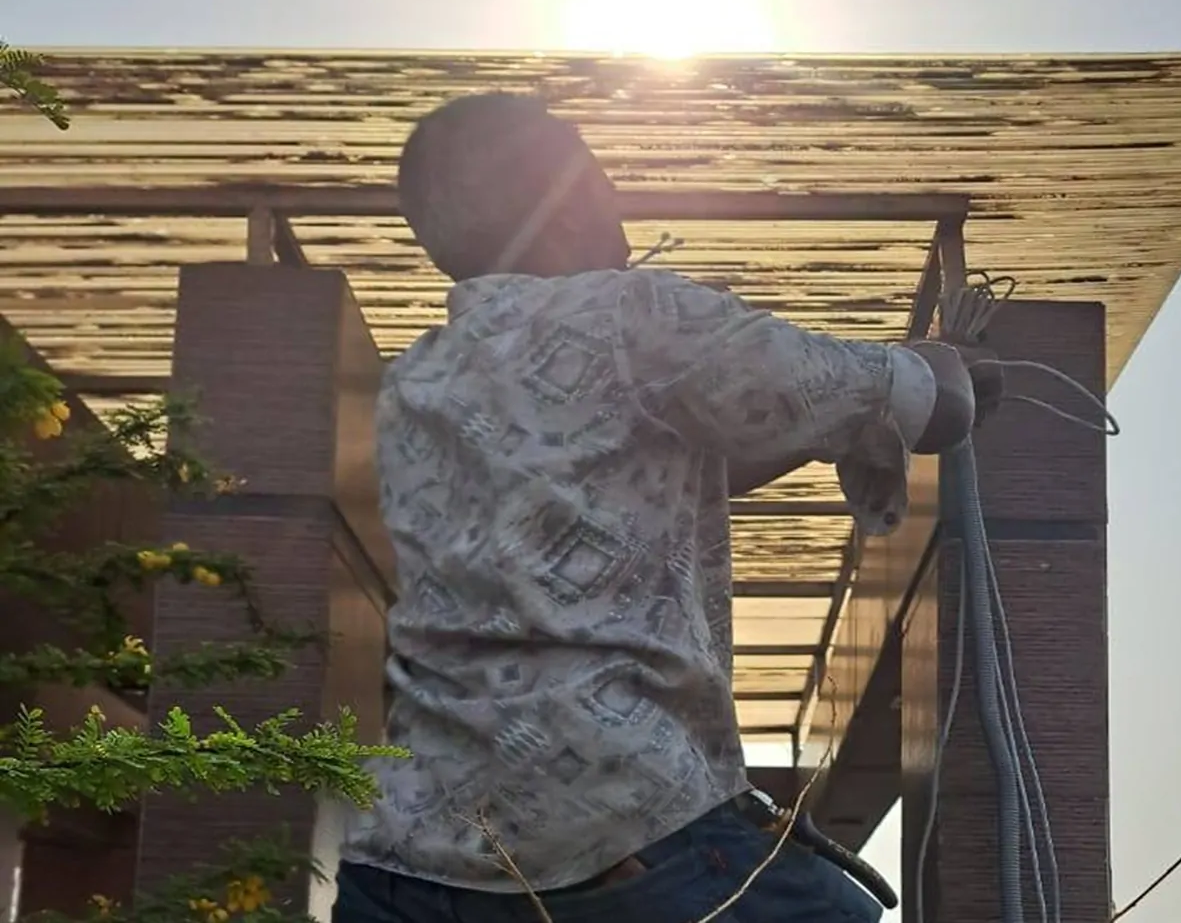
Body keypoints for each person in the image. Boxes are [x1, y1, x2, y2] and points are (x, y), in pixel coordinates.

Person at [334, 93, 992, 923]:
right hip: (619, 834)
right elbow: (911, 398)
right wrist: (948, 365)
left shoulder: (417, 384)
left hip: (404, 866)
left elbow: (616, 484)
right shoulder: (632, 312)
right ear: (565, 201)